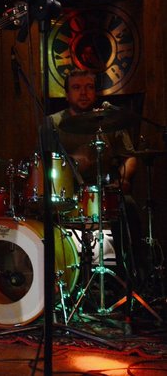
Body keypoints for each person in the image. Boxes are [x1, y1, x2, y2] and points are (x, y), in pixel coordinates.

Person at [48, 69, 143, 295]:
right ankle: (62, 283)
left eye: (89, 87)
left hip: (105, 191)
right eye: (76, 88)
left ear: (96, 93)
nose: (83, 93)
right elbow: (43, 162)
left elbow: (130, 157)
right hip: (67, 194)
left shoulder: (110, 120)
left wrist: (124, 179)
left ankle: (131, 281)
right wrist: (72, 163)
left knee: (129, 206)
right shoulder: (52, 123)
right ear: (67, 94)